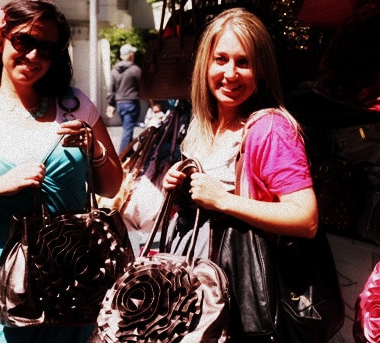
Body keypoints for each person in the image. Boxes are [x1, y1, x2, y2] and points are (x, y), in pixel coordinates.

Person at [0, 1, 122, 342]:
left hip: (73, 278)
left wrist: (95, 149)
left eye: (46, 48)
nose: (33, 56)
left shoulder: (75, 105)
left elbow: (111, 186)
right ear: (0, 40)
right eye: (23, 41)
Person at [162, 7, 318, 341]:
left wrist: (223, 200)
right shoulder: (200, 124)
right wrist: (176, 187)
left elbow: (305, 218)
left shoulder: (269, 129)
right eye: (220, 59)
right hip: (194, 291)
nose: (230, 74)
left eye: (243, 62)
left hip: (239, 300)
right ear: (205, 64)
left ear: (261, 70)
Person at [106, 43, 141, 154]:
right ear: (130, 55)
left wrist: (111, 103)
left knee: (127, 128)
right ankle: (121, 156)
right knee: (128, 130)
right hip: (132, 103)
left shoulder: (114, 70)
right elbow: (143, 86)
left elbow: (111, 89)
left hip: (120, 104)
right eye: (133, 53)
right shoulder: (135, 69)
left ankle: (129, 152)